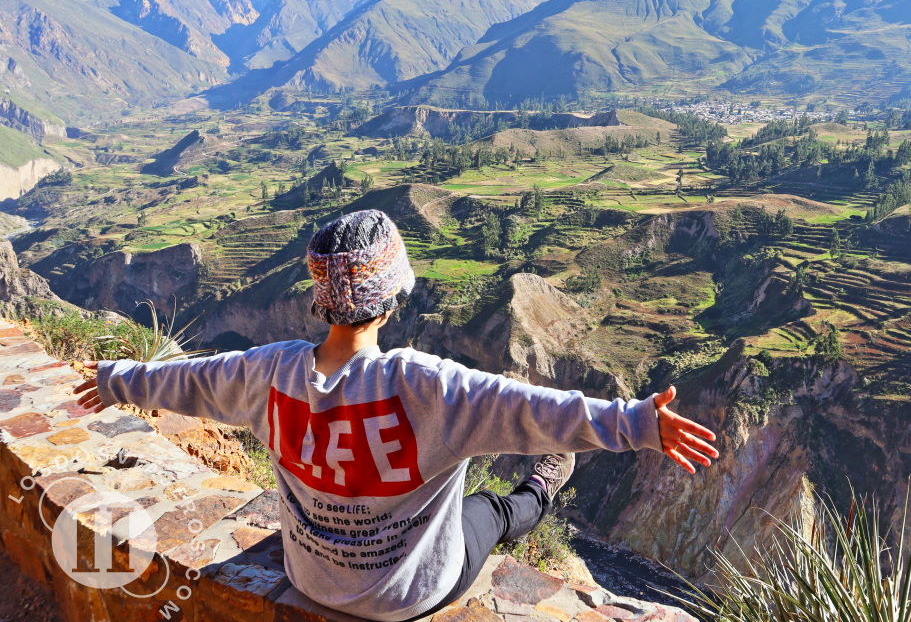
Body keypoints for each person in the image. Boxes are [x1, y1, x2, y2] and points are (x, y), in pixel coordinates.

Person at [73, 209, 719, 621]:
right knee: (488, 513)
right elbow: (533, 412)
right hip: (410, 595)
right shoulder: (424, 386)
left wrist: (114, 379)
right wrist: (637, 424)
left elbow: (188, 381)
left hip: (311, 578)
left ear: (323, 303)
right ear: (388, 304)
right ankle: (542, 490)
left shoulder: (267, 372)